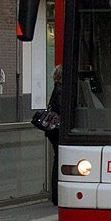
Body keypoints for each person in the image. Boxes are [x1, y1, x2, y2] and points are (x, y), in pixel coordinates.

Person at [46, 66, 62, 205]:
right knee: (59, 161)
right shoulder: (60, 90)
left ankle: (55, 194)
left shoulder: (56, 88)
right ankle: (56, 195)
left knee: (57, 160)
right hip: (58, 131)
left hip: (53, 131)